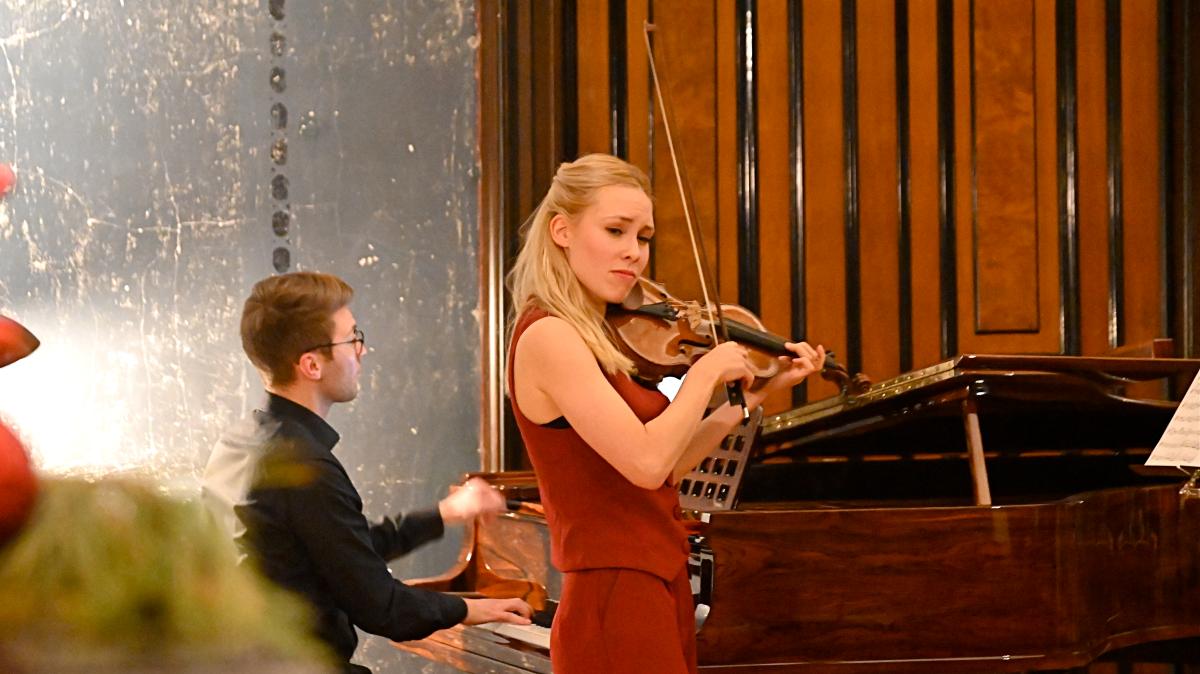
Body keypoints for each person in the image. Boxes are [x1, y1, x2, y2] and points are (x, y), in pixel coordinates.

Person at [506, 154, 825, 674]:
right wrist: (704, 373)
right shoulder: (549, 335)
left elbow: (668, 468)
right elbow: (646, 462)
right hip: (614, 592)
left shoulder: (599, 335)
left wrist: (755, 397)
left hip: (655, 581)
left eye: (644, 237)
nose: (633, 252)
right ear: (562, 231)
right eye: (615, 230)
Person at [202, 271, 531, 674]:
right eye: (352, 338)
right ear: (311, 365)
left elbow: (343, 552)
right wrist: (469, 609)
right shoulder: (305, 468)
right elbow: (383, 608)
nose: (362, 349)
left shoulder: (239, 443)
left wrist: (444, 514)